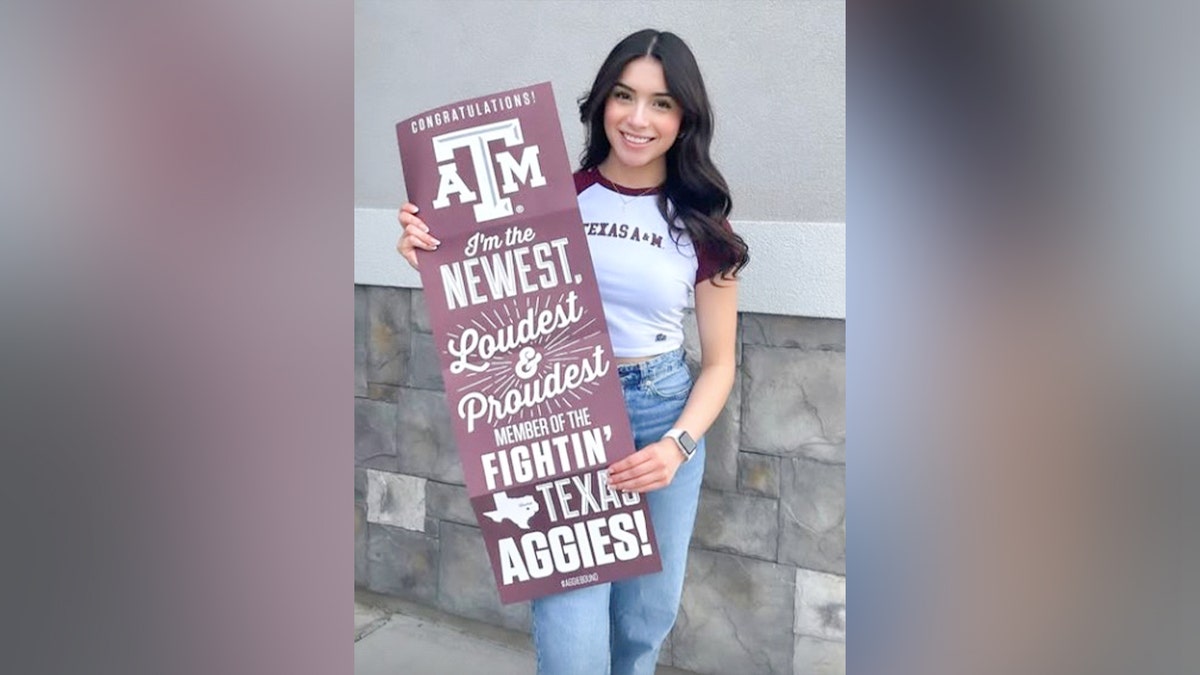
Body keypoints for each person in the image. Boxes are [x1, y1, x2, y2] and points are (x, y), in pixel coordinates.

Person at [396, 29, 748, 675]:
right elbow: (484, 294)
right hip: (561, 415)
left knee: (642, 624)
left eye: (661, 103)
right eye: (624, 96)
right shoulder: (550, 200)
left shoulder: (702, 224)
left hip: (662, 419)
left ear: (685, 118)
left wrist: (678, 445)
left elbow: (721, 363)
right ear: (602, 102)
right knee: (573, 640)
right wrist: (430, 251)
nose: (638, 119)